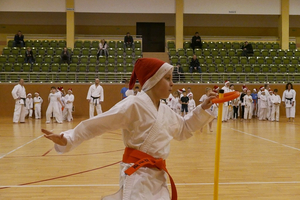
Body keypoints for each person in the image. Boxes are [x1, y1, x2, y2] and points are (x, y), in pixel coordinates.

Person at [41, 58, 216, 200]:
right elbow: (97, 123)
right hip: (137, 174)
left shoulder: (164, 110)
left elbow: (184, 128)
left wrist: (203, 107)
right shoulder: (134, 104)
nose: (172, 84)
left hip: (158, 176)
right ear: (153, 80)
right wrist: (68, 138)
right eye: (168, 78)